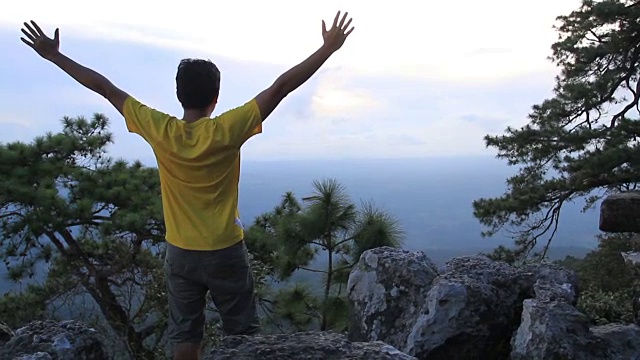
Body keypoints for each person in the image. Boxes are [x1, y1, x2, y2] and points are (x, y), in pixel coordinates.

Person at [20, 10, 354, 360]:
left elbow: (104, 88)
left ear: (179, 94)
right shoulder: (227, 129)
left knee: (185, 336)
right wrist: (327, 49)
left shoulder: (160, 129)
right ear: (216, 96)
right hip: (226, 249)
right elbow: (281, 87)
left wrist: (54, 55)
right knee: (244, 335)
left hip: (180, 252)